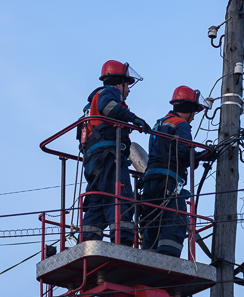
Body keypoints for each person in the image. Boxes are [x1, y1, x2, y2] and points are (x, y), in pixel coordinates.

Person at [80, 60, 151, 245]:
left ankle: (88, 242)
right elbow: (108, 108)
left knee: (98, 200)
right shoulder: (110, 92)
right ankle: (123, 243)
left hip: (94, 162)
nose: (129, 90)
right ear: (119, 82)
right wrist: (133, 119)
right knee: (120, 197)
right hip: (110, 158)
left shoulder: (91, 104)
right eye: (128, 85)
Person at [141, 85, 210, 257]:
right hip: (169, 181)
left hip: (151, 181)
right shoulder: (181, 125)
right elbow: (184, 153)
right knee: (176, 218)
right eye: (194, 111)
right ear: (190, 109)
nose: (194, 117)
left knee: (152, 220)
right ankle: (168, 260)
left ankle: (149, 257)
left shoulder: (159, 123)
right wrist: (202, 156)